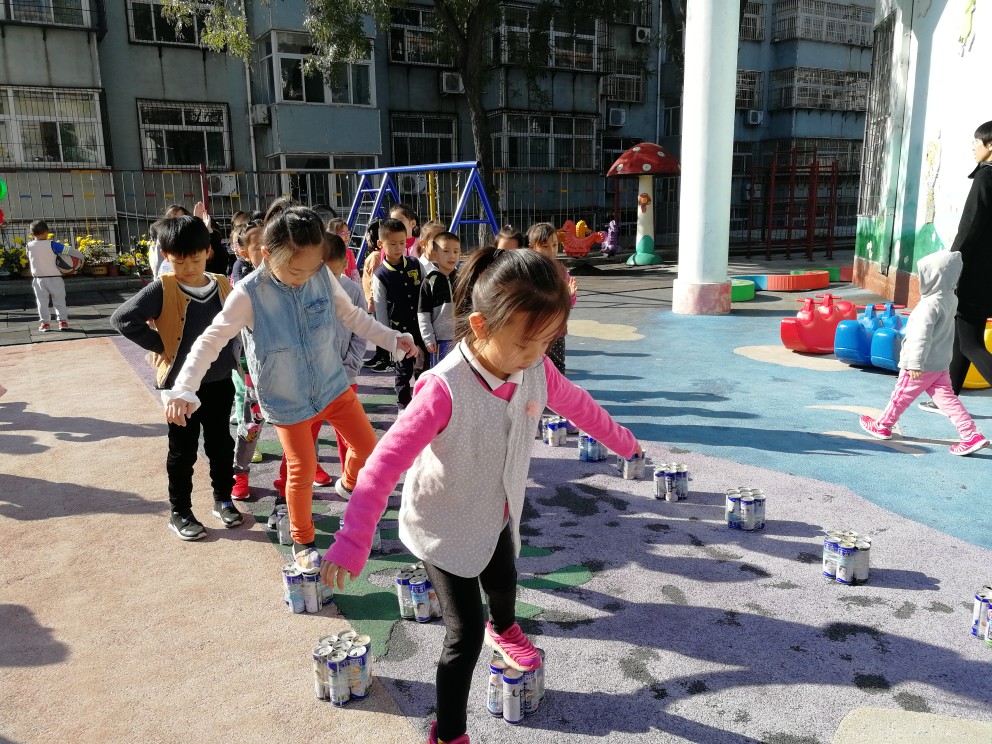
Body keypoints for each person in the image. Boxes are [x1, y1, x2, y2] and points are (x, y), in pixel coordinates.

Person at [320, 247, 641, 744]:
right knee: (464, 633)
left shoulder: (534, 368)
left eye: (548, 341)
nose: (537, 355)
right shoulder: (443, 389)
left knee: (504, 574)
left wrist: (623, 441)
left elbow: (579, 405)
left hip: (496, 510)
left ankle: (505, 628)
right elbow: (382, 465)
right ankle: (448, 733)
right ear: (481, 325)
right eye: (527, 343)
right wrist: (353, 538)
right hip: (443, 525)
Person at [162, 207, 416, 568]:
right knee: (303, 469)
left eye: (312, 268)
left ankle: (347, 484)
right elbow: (210, 340)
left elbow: (351, 315)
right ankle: (302, 540)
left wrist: (392, 339)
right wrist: (184, 388)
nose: (305, 278)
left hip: (332, 384)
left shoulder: (320, 275)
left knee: (369, 448)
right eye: (296, 271)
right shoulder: (248, 293)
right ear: (267, 255)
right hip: (287, 397)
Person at [111, 215, 243, 540]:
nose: (188, 268)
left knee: (221, 444)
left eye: (195, 259)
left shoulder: (221, 284)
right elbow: (123, 319)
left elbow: (239, 322)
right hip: (179, 388)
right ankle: (180, 511)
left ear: (208, 252)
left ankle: (223, 499)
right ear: (166, 255)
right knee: (183, 451)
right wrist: (162, 345)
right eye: (178, 261)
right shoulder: (164, 287)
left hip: (219, 381)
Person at [859, 250, 988, 456]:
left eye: (925, 274)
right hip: (940, 363)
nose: (922, 279)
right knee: (947, 400)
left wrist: (915, 362)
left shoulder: (928, 306)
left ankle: (883, 425)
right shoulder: (950, 298)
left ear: (934, 277)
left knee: (901, 395)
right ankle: (970, 434)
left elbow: (920, 336)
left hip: (921, 364)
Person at [273, 234, 367, 494]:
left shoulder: (352, 290)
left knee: (352, 439)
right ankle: (285, 489)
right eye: (323, 274)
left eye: (335, 274)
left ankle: (353, 485)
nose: (330, 282)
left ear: (345, 266)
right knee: (301, 440)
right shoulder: (298, 290)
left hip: (343, 380)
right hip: (308, 384)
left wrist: (350, 367)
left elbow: (361, 333)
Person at [919, 120, 992, 413]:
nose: (973, 147)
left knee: (970, 343)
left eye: (977, 141)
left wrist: (952, 261)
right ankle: (947, 398)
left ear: (990, 145)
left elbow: (971, 225)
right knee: (962, 337)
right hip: (986, 272)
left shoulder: (986, 177)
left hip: (976, 272)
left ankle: (947, 397)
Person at [230, 215, 267, 500]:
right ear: (244, 253)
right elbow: (230, 334)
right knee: (250, 426)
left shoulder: (294, 281)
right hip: (257, 374)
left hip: (293, 374)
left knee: (303, 429)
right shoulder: (245, 288)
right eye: (259, 247)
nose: (267, 252)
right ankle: (240, 474)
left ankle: (296, 474)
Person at [372, 217, 426, 411]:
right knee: (403, 372)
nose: (398, 248)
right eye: (393, 244)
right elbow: (380, 310)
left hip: (421, 328)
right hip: (399, 332)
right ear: (381, 244)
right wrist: (388, 338)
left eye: (402, 243)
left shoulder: (415, 264)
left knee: (424, 369)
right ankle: (403, 407)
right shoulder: (380, 275)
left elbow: (426, 292)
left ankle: (423, 404)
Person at [527, 222, 577, 374]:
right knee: (533, 368)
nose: (551, 250)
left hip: (556, 331)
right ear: (532, 247)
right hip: (535, 331)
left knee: (557, 368)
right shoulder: (529, 271)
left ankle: (556, 390)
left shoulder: (561, 270)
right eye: (545, 246)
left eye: (554, 245)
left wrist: (569, 296)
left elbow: (569, 303)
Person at [418, 231, 460, 369]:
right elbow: (423, 313)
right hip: (440, 341)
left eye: (456, 251)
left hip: (462, 339)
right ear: (435, 254)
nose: (452, 255)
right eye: (446, 251)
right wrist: (428, 338)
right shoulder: (430, 281)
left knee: (461, 373)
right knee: (441, 372)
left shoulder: (463, 279)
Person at [25, 220, 69, 332]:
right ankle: (62, 322)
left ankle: (45, 324)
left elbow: (29, 256)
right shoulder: (53, 244)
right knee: (59, 300)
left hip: (39, 279)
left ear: (31, 234)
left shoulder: (29, 246)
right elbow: (68, 251)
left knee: (42, 302)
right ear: (46, 232)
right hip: (55, 277)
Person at [361, 219, 392, 373]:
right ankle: (380, 355)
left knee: (380, 329)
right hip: (372, 299)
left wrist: (372, 299)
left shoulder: (375, 256)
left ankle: (385, 358)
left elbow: (375, 280)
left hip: (375, 300)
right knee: (377, 329)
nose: (366, 237)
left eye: (367, 234)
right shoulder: (375, 255)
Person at [325, 218, 360, 283]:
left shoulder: (349, 252)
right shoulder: (327, 253)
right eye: (342, 233)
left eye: (348, 233)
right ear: (333, 235)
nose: (346, 236)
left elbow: (354, 274)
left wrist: (355, 286)